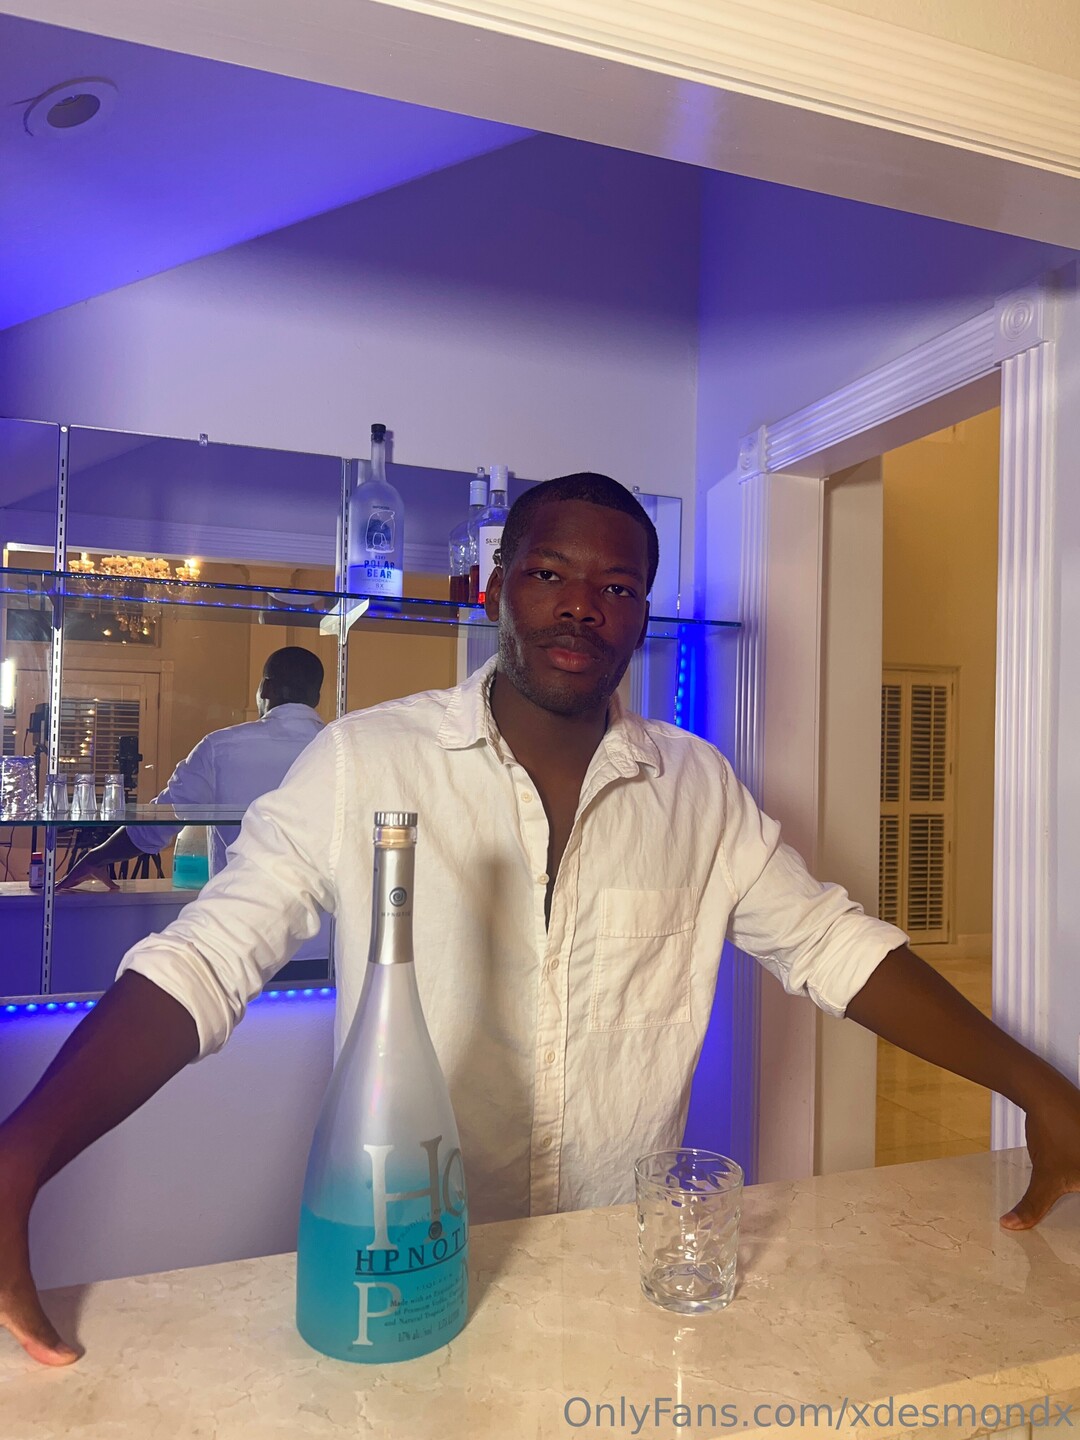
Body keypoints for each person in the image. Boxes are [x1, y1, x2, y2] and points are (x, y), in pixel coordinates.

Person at [3, 473, 1080, 1369]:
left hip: (622, 1278)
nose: (582, 606)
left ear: (642, 615)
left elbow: (833, 945)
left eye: (617, 586)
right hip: (409, 1277)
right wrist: (23, 1155)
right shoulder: (367, 762)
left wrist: (1037, 1086)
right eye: (551, 574)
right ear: (497, 590)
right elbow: (205, 958)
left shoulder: (697, 790)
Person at [60, 646, 326, 890]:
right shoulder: (338, 747)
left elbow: (159, 821)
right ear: (316, 697)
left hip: (241, 912)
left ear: (266, 688)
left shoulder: (220, 747)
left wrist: (96, 857)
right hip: (327, 920)